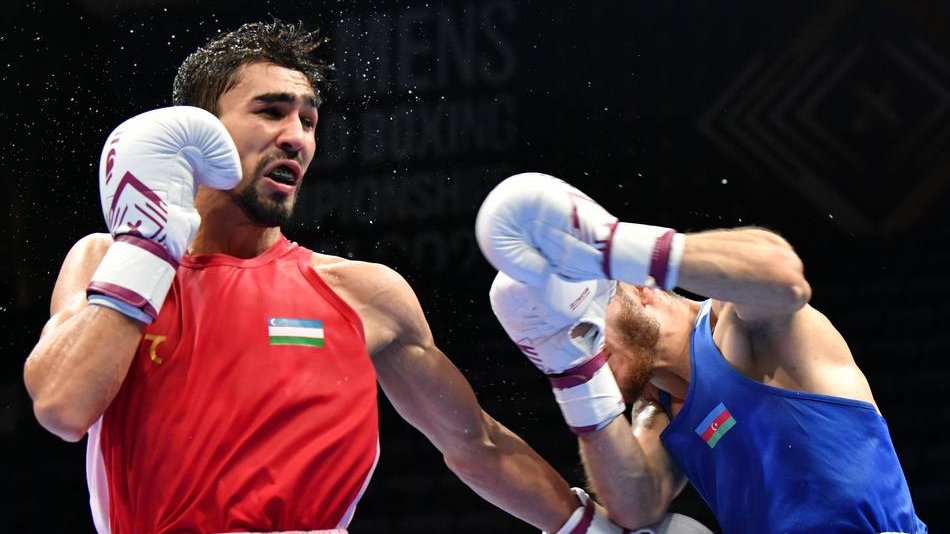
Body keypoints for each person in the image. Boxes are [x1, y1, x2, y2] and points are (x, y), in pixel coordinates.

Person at [21, 21, 712, 534]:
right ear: (196, 129)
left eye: (309, 120)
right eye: (271, 111)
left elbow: (474, 443)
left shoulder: (361, 294)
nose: (297, 136)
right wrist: (146, 249)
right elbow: (61, 407)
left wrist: (588, 529)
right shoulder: (109, 263)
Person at [477, 172, 928, 534]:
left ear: (634, 287)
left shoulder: (737, 325)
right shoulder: (657, 410)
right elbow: (636, 508)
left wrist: (613, 244)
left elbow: (785, 277)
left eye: (582, 329)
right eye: (555, 351)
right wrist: (574, 381)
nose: (579, 351)